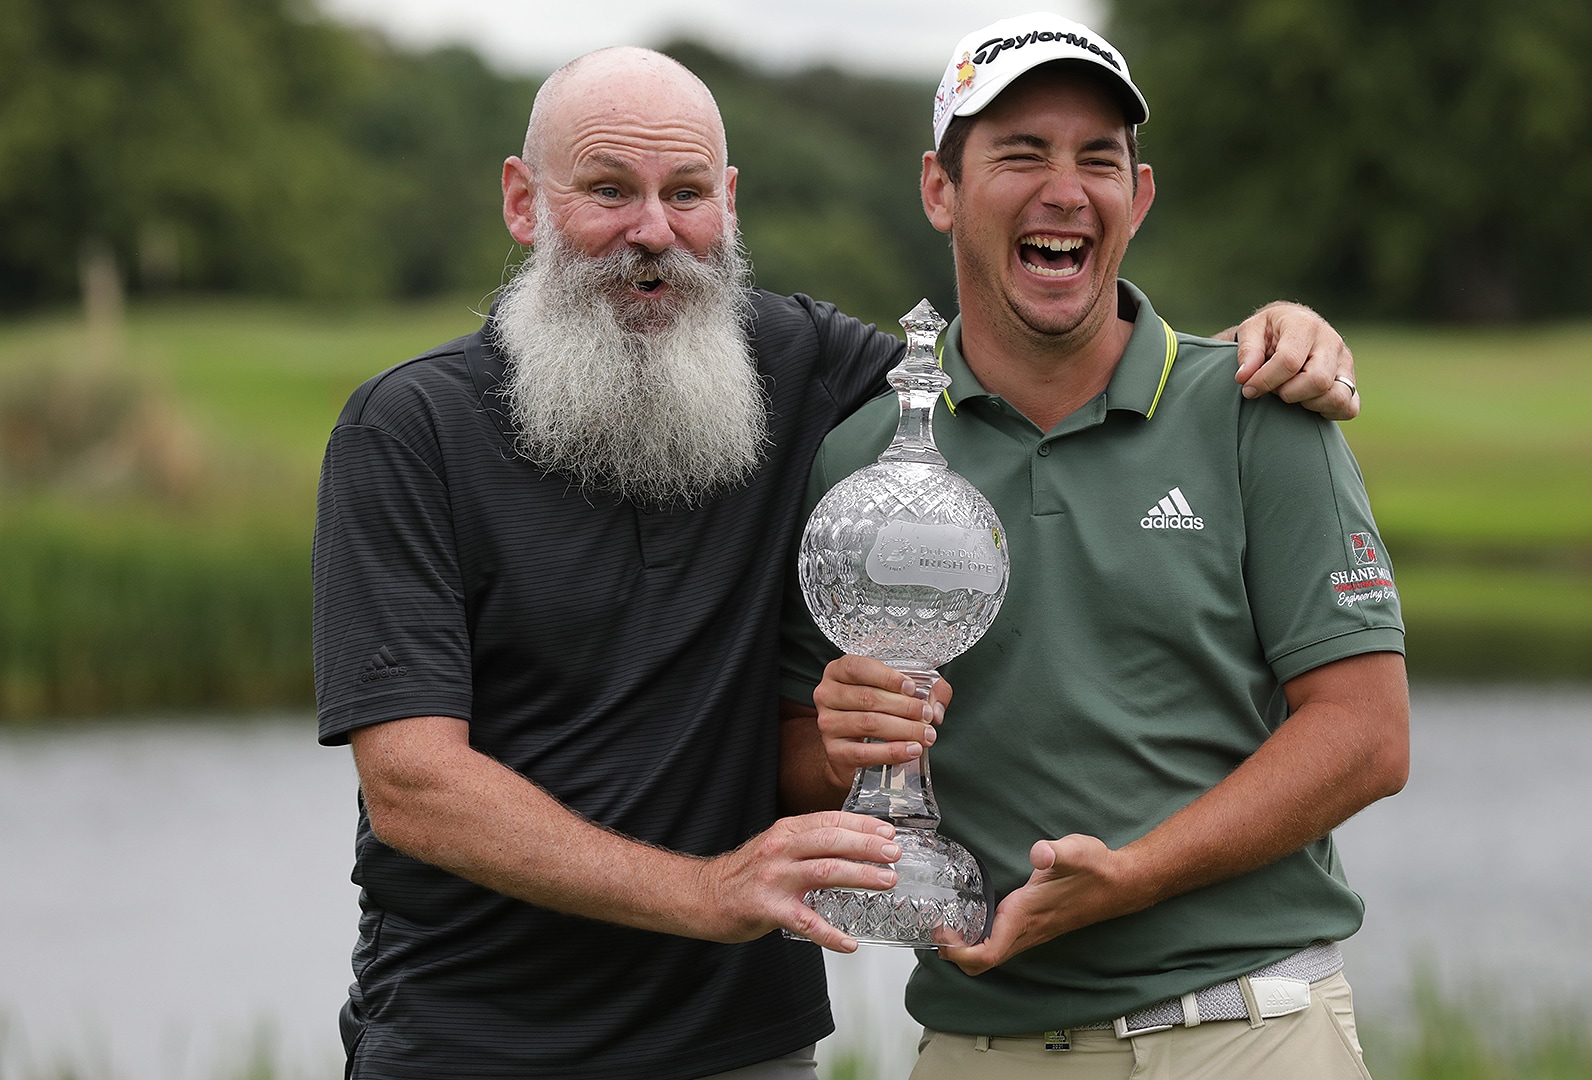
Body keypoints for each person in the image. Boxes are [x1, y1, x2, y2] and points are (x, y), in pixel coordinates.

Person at [311, 44, 1365, 1080]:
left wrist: (1268, 344)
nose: (652, 231)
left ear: (727, 200)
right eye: (606, 188)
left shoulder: (810, 373)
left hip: (745, 1044)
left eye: (686, 192)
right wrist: (707, 891)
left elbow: (1017, 355)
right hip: (471, 1038)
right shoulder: (410, 429)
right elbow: (413, 786)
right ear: (523, 201)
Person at [780, 14, 1410, 1080]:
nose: (1064, 189)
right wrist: (840, 745)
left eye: (1097, 158)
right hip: (982, 1044)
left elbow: (1366, 734)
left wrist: (1139, 873)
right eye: (1021, 152)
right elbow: (795, 766)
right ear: (940, 188)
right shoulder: (863, 463)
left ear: (1140, 195)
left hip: (1250, 1029)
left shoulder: (1261, 410)